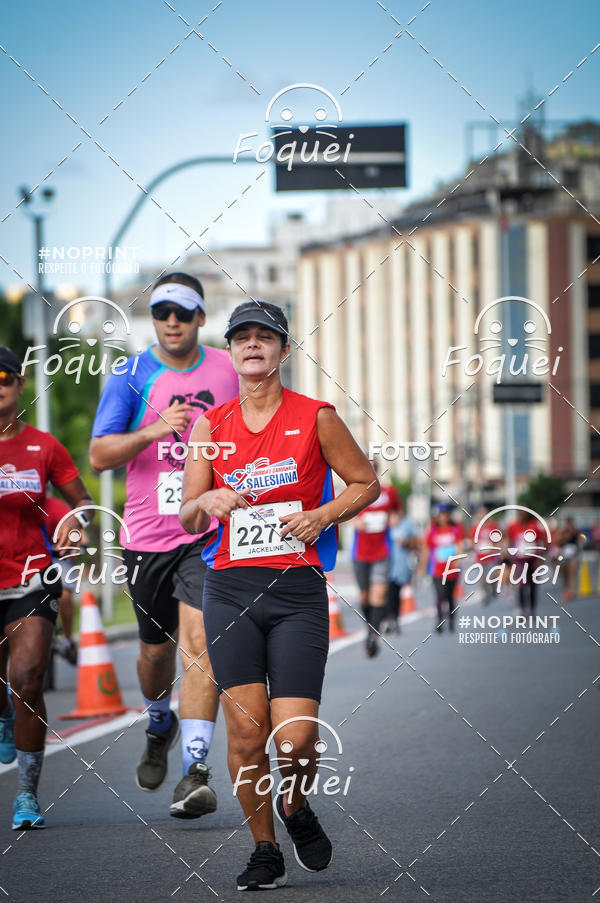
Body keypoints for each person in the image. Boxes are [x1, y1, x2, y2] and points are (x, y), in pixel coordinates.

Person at [179, 300, 379, 891]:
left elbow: (365, 483)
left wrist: (322, 515)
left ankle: (294, 803)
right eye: (241, 337)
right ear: (230, 352)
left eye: (264, 337)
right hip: (230, 589)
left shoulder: (316, 416)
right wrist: (205, 501)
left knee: (295, 739)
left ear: (284, 350)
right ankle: (264, 848)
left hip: (296, 591)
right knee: (246, 733)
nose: (252, 345)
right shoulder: (210, 426)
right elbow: (188, 515)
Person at [89, 273, 238, 819]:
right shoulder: (130, 375)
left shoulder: (227, 368)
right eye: (161, 313)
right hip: (148, 536)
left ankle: (195, 772)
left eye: (182, 312)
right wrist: (153, 430)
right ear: (153, 319)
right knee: (156, 653)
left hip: (206, 531)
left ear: (201, 318)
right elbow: (99, 456)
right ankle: (159, 723)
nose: (171, 322)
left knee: (199, 644)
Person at [0, 345, 93, 829]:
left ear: (19, 384)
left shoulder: (44, 446)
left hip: (30, 577)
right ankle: (3, 717)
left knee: (28, 678)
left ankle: (26, 795)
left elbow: (82, 502)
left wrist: (76, 525)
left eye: (3, 378)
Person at [351, 460, 400, 656]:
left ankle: (372, 635)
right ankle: (370, 627)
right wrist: (355, 521)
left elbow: (397, 511)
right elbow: (342, 513)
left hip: (382, 551)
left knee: (378, 595)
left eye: (373, 467)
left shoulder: (388, 492)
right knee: (364, 597)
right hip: (360, 553)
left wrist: (395, 518)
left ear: (377, 470)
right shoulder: (353, 491)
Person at [44, 493, 85, 665]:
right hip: (29, 559)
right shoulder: (16, 508)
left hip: (59, 558)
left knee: (65, 596)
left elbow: (78, 530)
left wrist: (80, 543)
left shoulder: (56, 506)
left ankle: (68, 640)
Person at [421, 504, 464, 632]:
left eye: (446, 514)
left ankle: (451, 619)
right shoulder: (433, 530)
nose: (443, 517)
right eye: (441, 514)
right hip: (437, 570)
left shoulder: (455, 529)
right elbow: (426, 549)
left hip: (452, 570)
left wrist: (458, 560)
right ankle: (439, 620)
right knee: (440, 595)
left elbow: (460, 545)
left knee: (449, 596)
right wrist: (423, 566)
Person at [385, 505, 419, 633]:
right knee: (387, 594)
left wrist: (406, 542)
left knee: (395, 594)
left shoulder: (407, 524)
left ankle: (395, 620)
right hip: (385, 565)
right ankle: (388, 620)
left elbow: (417, 541)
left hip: (401, 566)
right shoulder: (385, 524)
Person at [506, 509, 547, 613]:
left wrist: (540, 558)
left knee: (532, 584)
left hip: (532, 559)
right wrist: (511, 558)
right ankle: (522, 608)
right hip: (519, 561)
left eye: (524, 513)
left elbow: (541, 541)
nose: (522, 515)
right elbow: (510, 542)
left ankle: (532, 608)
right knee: (521, 584)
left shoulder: (534, 525)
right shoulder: (513, 526)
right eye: (520, 513)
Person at [468, 506, 501, 605]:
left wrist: (497, 549)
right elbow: (472, 541)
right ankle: (486, 594)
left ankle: (494, 587)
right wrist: (474, 548)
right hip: (480, 556)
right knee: (482, 577)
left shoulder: (493, 526)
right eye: (480, 514)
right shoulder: (475, 527)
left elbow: (498, 539)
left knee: (492, 575)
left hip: (491, 555)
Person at [558, 516, 582, 601]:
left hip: (573, 555)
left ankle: (572, 591)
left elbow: (580, 542)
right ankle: (566, 589)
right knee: (565, 573)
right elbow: (558, 541)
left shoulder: (576, 532)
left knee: (572, 573)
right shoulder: (563, 532)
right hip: (564, 555)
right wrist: (565, 537)